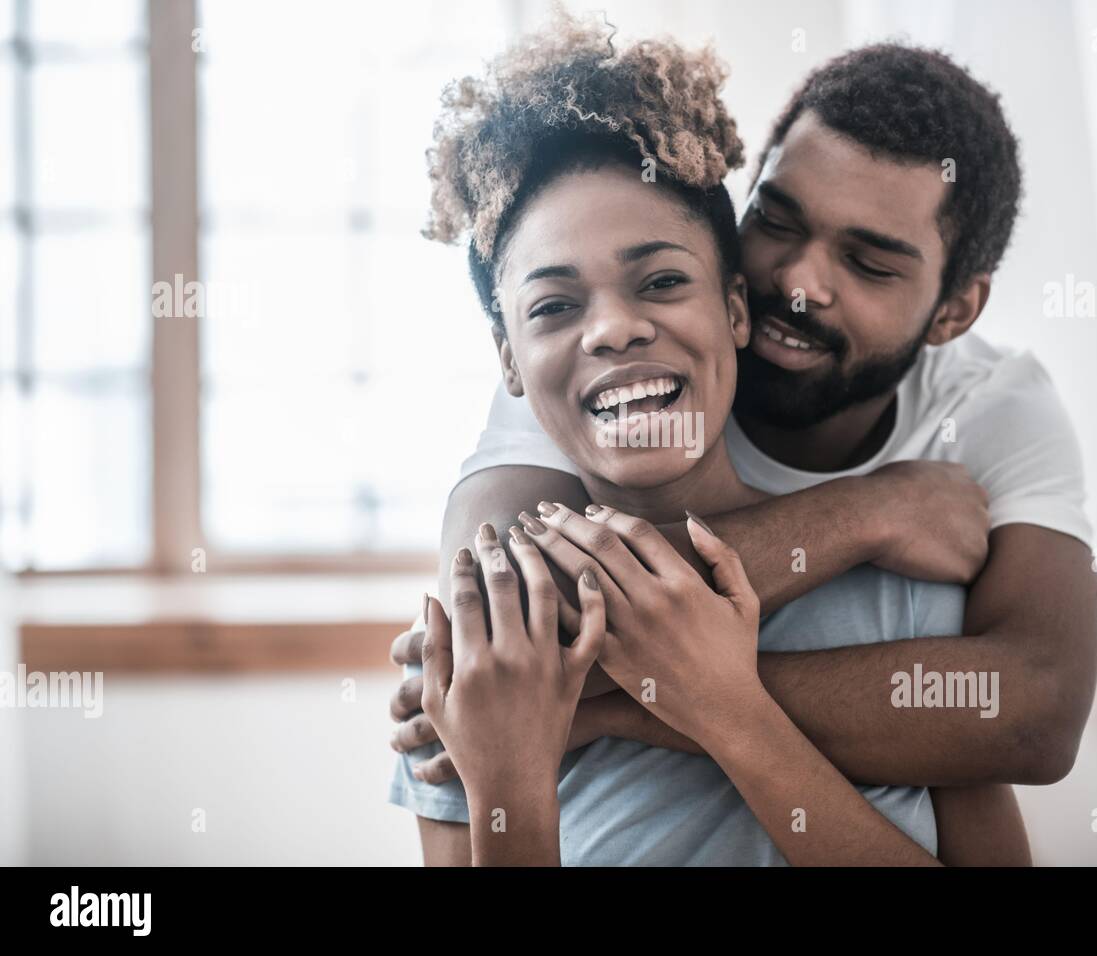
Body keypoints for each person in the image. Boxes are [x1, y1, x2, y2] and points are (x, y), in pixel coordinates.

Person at [390, 12, 1034, 866]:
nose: (614, 329)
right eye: (554, 305)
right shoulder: (476, 651)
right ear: (508, 360)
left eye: (660, 280)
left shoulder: (902, 596)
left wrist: (726, 709)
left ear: (736, 309)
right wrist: (509, 777)